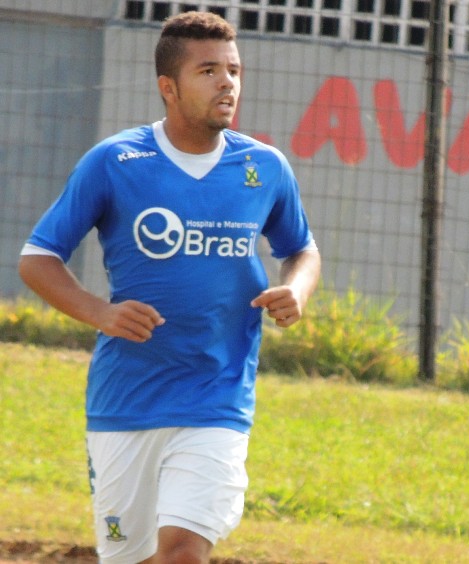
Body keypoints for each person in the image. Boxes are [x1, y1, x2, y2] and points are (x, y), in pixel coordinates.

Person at [18, 11, 321, 564]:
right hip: (125, 402)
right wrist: (100, 313)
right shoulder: (115, 161)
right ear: (169, 87)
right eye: (208, 70)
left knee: (183, 551)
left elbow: (301, 249)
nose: (227, 82)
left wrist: (296, 289)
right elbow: (38, 259)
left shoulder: (265, 167)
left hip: (217, 397)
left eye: (233, 69)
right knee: (130, 557)